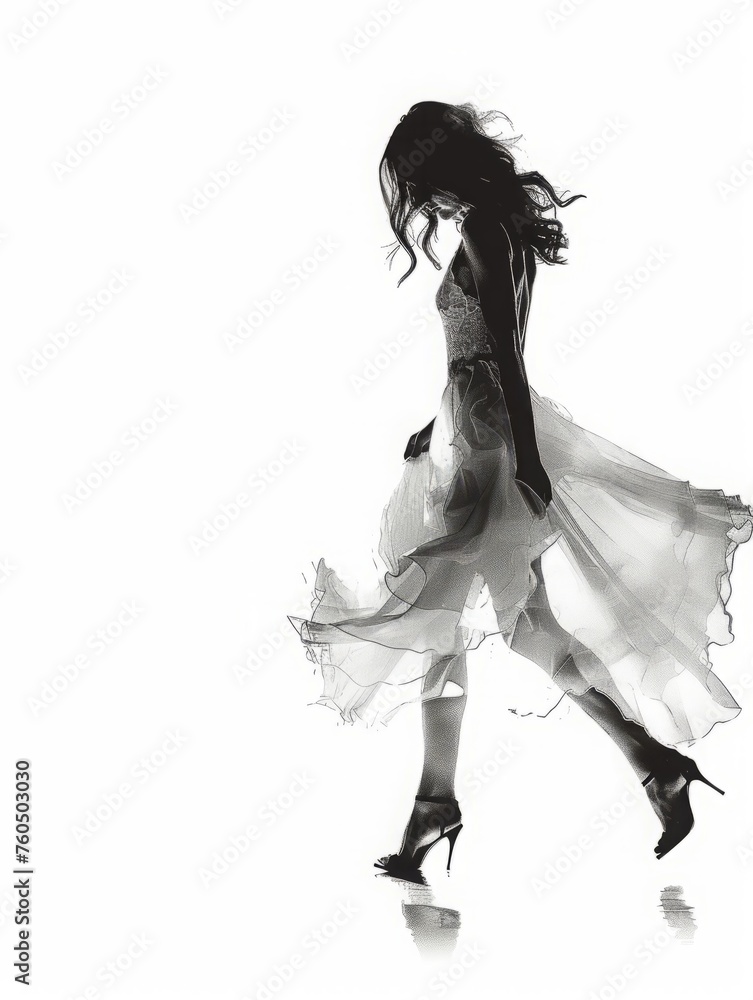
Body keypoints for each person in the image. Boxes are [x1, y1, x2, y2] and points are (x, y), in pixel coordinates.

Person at [289, 101, 753, 874]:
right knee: (505, 627)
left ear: (436, 167)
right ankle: (637, 767)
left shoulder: (483, 228)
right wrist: (433, 422)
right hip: (472, 433)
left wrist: (526, 460)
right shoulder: (494, 225)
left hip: (487, 446)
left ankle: (454, 797)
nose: (416, 198)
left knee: (448, 616)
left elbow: (504, 349)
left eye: (414, 180)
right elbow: (477, 353)